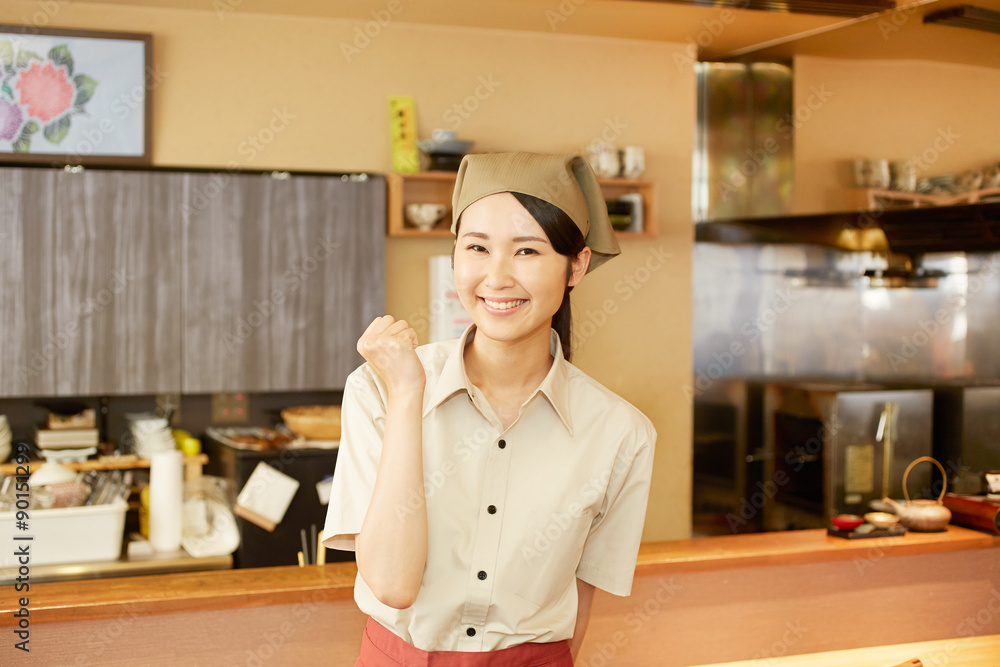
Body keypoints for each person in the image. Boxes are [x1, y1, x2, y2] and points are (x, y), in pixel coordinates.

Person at [324, 152, 657, 666]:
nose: (496, 277)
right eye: (476, 247)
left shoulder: (621, 433)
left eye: (527, 251)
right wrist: (410, 395)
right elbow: (391, 584)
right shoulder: (379, 389)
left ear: (577, 266)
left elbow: (582, 604)